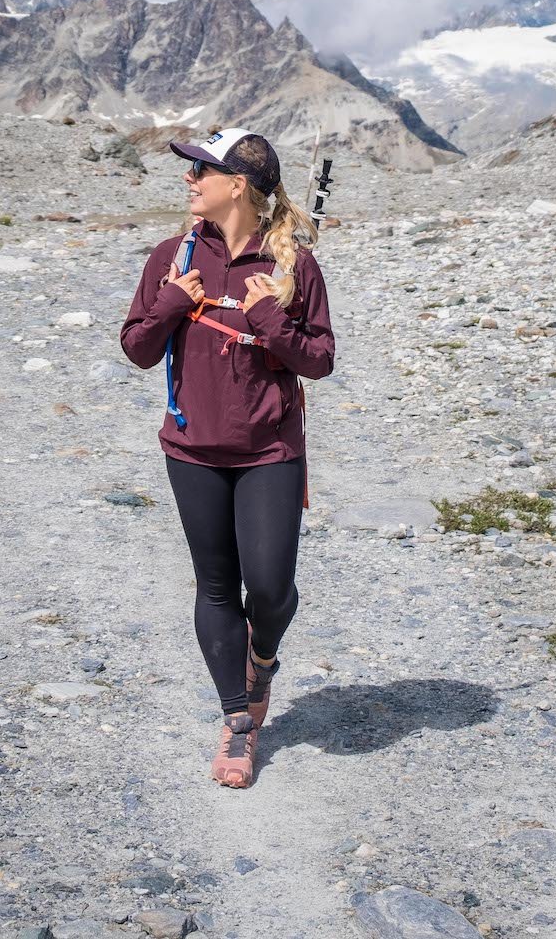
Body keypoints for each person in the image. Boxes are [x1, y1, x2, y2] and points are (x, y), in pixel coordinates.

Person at [119, 127, 336, 789]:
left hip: (270, 450)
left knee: (269, 589)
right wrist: (170, 305)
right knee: (216, 587)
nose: (190, 181)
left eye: (200, 172)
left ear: (236, 185)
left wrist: (271, 320)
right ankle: (239, 724)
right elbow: (136, 347)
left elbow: (320, 361)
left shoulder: (294, 267)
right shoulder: (170, 256)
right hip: (191, 451)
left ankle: (261, 659)